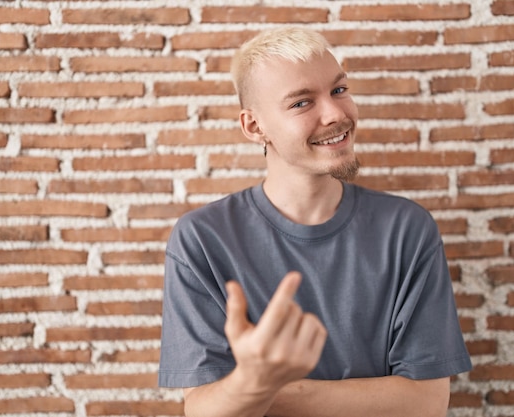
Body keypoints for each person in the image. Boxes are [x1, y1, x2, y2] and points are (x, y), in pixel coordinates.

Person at [158, 26, 472, 417]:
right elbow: (203, 412)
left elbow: (425, 404)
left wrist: (258, 388)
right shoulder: (202, 240)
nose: (337, 114)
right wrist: (252, 383)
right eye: (301, 103)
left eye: (339, 90)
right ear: (255, 127)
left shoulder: (407, 229)